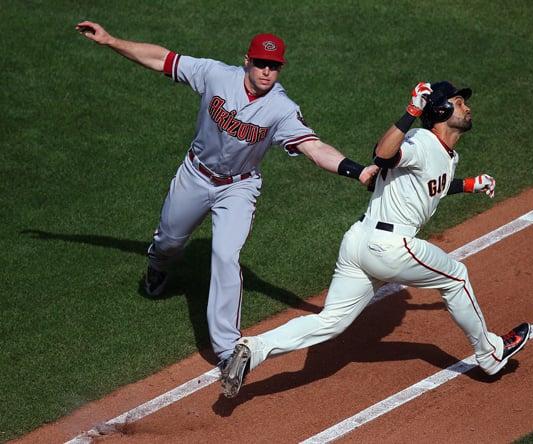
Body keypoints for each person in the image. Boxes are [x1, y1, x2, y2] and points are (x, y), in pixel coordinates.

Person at [75, 21, 378, 368]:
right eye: (261, 64)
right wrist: (111, 40)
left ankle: (227, 351)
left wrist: (357, 170)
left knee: (225, 257)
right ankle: (158, 266)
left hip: (238, 187)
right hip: (195, 174)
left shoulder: (281, 108)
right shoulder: (216, 75)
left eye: (274, 66)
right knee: (169, 242)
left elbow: (313, 147)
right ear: (247, 61)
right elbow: (163, 59)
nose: (267, 71)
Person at [221, 81, 531, 398]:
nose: (467, 106)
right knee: (456, 277)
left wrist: (469, 185)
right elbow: (383, 154)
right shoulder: (421, 141)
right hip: (390, 246)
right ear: (440, 110)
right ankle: (491, 354)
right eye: (459, 101)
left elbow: (430, 185)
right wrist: (411, 110)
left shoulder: (447, 155)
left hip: (360, 243)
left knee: (331, 321)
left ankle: (254, 348)